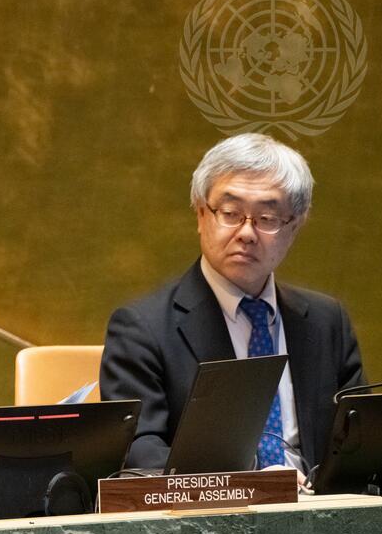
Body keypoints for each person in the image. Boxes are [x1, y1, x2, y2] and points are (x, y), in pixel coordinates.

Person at [100, 133, 365, 475]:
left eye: (267, 218)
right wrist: (252, 482)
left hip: (322, 505)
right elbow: (139, 452)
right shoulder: (142, 328)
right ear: (201, 215)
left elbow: (360, 440)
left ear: (294, 227)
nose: (246, 233)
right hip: (214, 505)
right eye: (230, 213)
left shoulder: (326, 321)